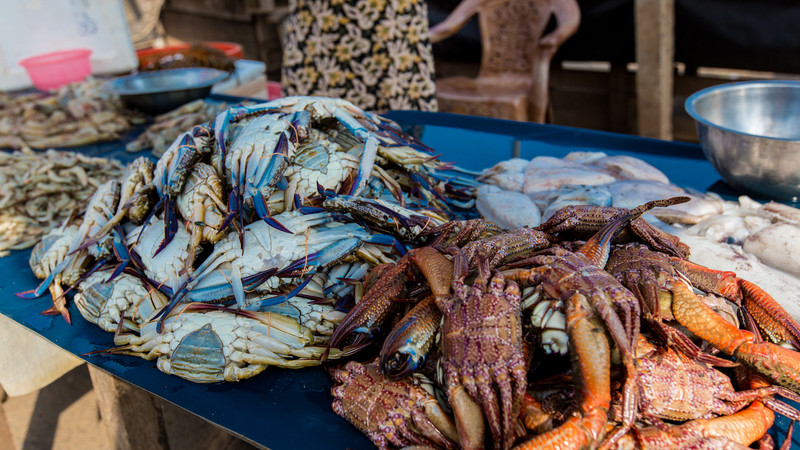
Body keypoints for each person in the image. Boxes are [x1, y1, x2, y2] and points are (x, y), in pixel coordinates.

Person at [281, 0, 439, 112]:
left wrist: (447, 27)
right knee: (307, 135)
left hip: (396, 49)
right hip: (317, 49)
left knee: (405, 138)